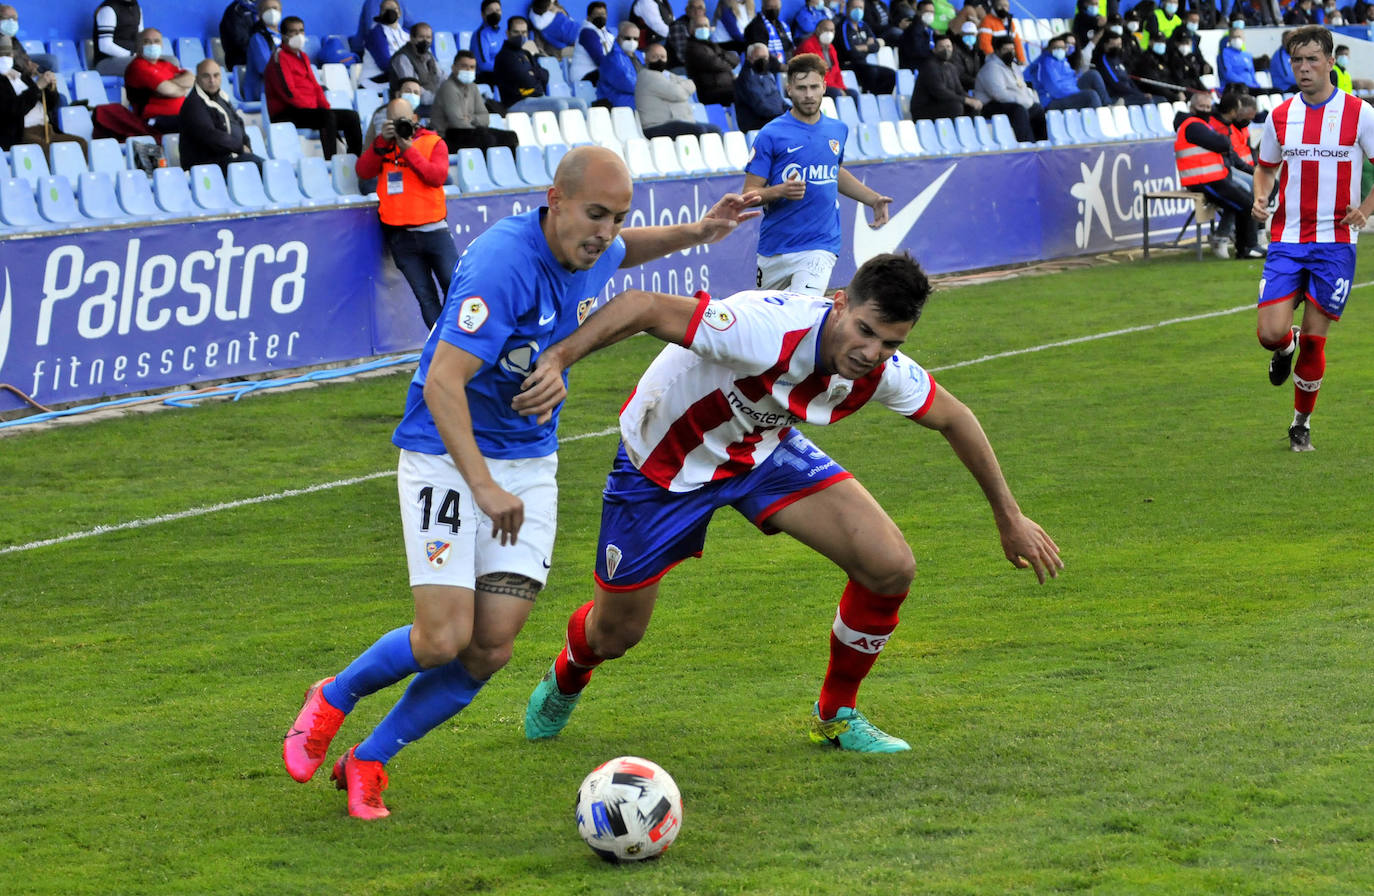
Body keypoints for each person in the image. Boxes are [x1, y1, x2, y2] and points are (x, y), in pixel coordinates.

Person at [281, 145, 761, 819]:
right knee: (441, 637)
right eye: (595, 214)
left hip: (529, 464)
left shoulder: (594, 246)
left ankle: (370, 758)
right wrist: (481, 487)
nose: (606, 231)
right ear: (554, 200)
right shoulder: (500, 265)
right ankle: (333, 696)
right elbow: (444, 383)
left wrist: (700, 232)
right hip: (447, 455)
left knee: (490, 647)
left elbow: (629, 249)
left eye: (617, 216)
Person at [515, 253, 1063, 754]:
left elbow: (954, 416)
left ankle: (837, 714)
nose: (870, 353)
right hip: (661, 466)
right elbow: (641, 305)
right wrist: (559, 359)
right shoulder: (764, 329)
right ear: (839, 303)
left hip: (760, 454)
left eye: (890, 343)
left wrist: (1009, 517)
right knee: (616, 634)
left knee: (889, 566)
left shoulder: (878, 371)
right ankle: (569, 672)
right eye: (865, 331)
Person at [1251, 26, 1374, 453]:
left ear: (1330, 62)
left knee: (1317, 341)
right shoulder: (1280, 115)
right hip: (1287, 238)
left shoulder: (1360, 113)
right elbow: (1265, 166)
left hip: (1336, 244)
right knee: (1269, 333)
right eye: (1297, 61)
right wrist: (1261, 195)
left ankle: (1301, 423)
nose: (1304, 68)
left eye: (1312, 60)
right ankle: (1285, 346)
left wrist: (1366, 210)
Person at [744, 53, 891, 294]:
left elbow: (834, 171)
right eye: (801, 88)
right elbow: (749, 193)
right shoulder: (771, 134)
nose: (809, 94)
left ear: (824, 86)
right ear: (789, 89)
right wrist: (780, 191)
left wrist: (872, 199)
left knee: (803, 312)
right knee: (770, 325)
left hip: (820, 245)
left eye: (814, 86)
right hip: (775, 247)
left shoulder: (837, 130)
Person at [356, 98, 455, 330]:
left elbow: (436, 177)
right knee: (425, 297)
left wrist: (409, 150)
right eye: (393, 120)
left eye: (404, 120)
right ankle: (440, 349)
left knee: (455, 288)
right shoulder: (383, 146)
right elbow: (363, 170)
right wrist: (380, 142)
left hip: (435, 231)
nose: (399, 124)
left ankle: (462, 343)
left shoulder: (434, 142)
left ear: (415, 120)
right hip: (401, 236)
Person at [1176, 89, 1261, 260]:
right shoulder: (1192, 125)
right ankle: (1247, 247)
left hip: (1215, 179)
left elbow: (1223, 145)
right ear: (1192, 108)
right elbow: (1221, 143)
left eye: (1208, 106)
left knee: (1246, 201)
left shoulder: (1201, 124)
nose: (1206, 110)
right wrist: (1222, 142)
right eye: (1201, 106)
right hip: (1202, 181)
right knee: (1246, 203)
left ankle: (1247, 247)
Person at [265, 16, 364, 160]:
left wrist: (324, 107)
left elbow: (316, 87)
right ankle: (332, 162)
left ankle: (354, 160)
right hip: (286, 112)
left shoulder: (302, 56)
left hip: (308, 110)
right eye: (293, 32)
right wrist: (316, 110)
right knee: (325, 117)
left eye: (301, 31)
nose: (298, 35)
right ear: (284, 35)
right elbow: (288, 92)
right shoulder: (279, 58)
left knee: (351, 116)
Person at [178, 59, 262, 172]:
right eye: (206, 76)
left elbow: (238, 123)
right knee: (259, 166)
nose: (212, 80)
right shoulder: (194, 104)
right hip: (205, 165)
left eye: (216, 75)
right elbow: (210, 135)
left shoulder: (221, 97)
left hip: (227, 159)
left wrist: (247, 146)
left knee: (263, 166)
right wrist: (240, 148)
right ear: (197, 78)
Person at [0, 37, 82, 153]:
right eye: (1, 55)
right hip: (23, 135)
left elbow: (50, 105)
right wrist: (37, 87)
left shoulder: (21, 76)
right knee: (55, 153)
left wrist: (49, 88)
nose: (5, 58)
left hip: (47, 130)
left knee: (80, 144)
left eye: (9, 54)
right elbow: (14, 109)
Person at [432, 51, 520, 153]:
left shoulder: (473, 87)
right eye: (464, 66)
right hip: (445, 136)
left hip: (467, 131)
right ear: (453, 68)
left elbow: (485, 118)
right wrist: (477, 125)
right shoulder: (448, 88)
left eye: (472, 67)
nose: (468, 70)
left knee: (510, 137)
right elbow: (457, 123)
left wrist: (471, 118)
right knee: (486, 139)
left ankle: (505, 167)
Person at [637, 41, 722, 138]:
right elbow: (677, 93)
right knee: (698, 130)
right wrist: (681, 88)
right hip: (656, 125)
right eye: (655, 57)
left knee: (715, 130)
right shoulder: (647, 76)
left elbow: (691, 83)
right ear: (646, 59)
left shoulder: (666, 74)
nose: (659, 60)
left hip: (677, 121)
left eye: (662, 57)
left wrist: (680, 88)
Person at [974, 35, 1046, 142]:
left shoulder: (1014, 66)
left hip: (1015, 102)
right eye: (1005, 49)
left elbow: (1022, 87)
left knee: (1037, 109)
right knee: (1018, 111)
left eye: (1012, 49)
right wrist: (1022, 101)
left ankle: (1041, 143)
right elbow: (999, 94)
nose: (1010, 52)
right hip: (990, 105)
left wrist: (1029, 100)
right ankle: (1027, 144)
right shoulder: (991, 68)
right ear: (997, 51)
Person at [124, 28, 192, 132]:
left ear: (161, 45)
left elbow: (191, 78)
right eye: (146, 42)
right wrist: (183, 89)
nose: (152, 45)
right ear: (138, 46)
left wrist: (168, 83)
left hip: (179, 116)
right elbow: (169, 91)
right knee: (194, 124)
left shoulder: (164, 64)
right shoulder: (138, 67)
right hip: (153, 121)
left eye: (156, 41)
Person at [910, 33, 983, 118]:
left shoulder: (951, 67)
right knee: (956, 107)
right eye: (942, 47)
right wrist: (966, 100)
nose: (946, 50)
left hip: (941, 104)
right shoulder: (930, 66)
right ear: (934, 49)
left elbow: (959, 90)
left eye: (948, 46)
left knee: (973, 107)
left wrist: (972, 100)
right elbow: (940, 93)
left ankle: (968, 130)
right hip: (924, 108)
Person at [1026, 33, 1106, 110]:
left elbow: (1072, 78)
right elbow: (1055, 90)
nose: (1060, 50)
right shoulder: (1045, 64)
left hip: (1069, 91)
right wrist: (1075, 92)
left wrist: (1075, 88)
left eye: (1062, 48)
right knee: (1091, 95)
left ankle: (1107, 105)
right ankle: (1101, 119)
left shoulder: (1062, 60)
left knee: (1093, 74)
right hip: (1052, 100)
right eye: (1056, 48)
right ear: (1049, 49)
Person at [839, 0, 896, 93]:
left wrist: (863, 47)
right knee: (872, 73)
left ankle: (879, 99)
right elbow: (851, 52)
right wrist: (868, 46)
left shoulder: (863, 25)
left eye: (860, 8)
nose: (858, 10)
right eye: (854, 7)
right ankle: (867, 95)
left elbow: (876, 45)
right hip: (849, 65)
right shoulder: (843, 26)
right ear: (847, 8)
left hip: (863, 64)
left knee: (890, 74)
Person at [684, 12, 739, 106]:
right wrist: (727, 62)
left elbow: (735, 59)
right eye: (699, 26)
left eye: (705, 26)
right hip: (711, 91)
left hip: (726, 86)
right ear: (691, 30)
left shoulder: (711, 44)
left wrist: (724, 59)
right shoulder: (692, 47)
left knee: (751, 89)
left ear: (710, 28)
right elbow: (716, 64)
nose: (703, 28)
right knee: (743, 93)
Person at [733, 41, 787, 130]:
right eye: (758, 57)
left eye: (765, 57)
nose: (762, 60)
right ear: (749, 58)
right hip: (755, 122)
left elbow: (779, 100)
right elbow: (760, 106)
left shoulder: (767, 74)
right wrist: (782, 116)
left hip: (773, 118)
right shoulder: (746, 78)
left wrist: (793, 112)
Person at [387, 22, 441, 109]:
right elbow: (412, 89)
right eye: (421, 37)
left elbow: (441, 77)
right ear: (412, 38)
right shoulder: (402, 58)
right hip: (409, 105)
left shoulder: (429, 55)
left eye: (428, 38)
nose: (425, 41)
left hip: (432, 103)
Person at [796, 18, 851, 100]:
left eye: (832, 30)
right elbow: (815, 75)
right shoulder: (808, 46)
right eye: (825, 29)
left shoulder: (831, 48)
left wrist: (842, 88)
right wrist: (838, 89)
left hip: (830, 86)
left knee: (853, 94)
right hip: (812, 86)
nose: (829, 33)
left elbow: (837, 72)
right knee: (836, 93)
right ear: (817, 30)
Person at [1093, 30, 1151, 105]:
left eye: (1119, 44)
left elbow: (1129, 80)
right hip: (1117, 97)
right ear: (1106, 45)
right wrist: (1139, 95)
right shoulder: (1104, 60)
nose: (1118, 47)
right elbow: (1116, 84)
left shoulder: (1117, 59)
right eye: (1114, 45)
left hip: (1129, 94)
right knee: (1147, 101)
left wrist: (1140, 93)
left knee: (1160, 99)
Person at [242, 0, 281, 102]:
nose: (272, 11)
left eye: (275, 8)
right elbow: (266, 68)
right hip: (262, 92)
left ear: (280, 11)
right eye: (267, 9)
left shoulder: (285, 37)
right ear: (259, 14)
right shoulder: (257, 38)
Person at [362, 0, 409, 85]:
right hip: (375, 80)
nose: (390, 12)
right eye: (386, 9)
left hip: (399, 77)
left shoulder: (406, 34)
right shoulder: (375, 33)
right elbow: (385, 64)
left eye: (393, 9)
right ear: (380, 13)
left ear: (400, 13)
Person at [1, 5, 56, 75]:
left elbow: (21, 52)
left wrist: (29, 62)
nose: (11, 22)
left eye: (14, 19)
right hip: (15, 70)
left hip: (23, 63)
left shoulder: (12, 36)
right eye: (7, 18)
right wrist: (27, 67)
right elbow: (8, 63)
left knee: (51, 60)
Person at [595, 22, 640, 107]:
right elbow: (630, 84)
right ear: (619, 37)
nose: (632, 42)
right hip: (615, 101)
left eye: (635, 39)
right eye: (628, 38)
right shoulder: (612, 59)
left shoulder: (638, 56)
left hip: (634, 98)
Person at [1131, 31, 1185, 100]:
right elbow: (1154, 84)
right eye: (1158, 41)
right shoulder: (1145, 59)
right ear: (1150, 42)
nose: (1161, 44)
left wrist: (1178, 91)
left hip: (1167, 94)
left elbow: (1169, 78)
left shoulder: (1163, 59)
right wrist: (1174, 96)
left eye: (1163, 42)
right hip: (1154, 96)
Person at [92, 0, 141, 76]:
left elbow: (141, 35)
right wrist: (131, 54)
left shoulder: (136, 7)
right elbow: (105, 46)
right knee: (142, 65)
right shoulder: (108, 9)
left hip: (132, 58)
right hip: (105, 62)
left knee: (164, 62)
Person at [570, 0, 614, 83]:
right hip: (584, 76)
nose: (600, 17)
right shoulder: (587, 32)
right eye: (597, 15)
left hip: (598, 72)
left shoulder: (607, 32)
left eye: (603, 14)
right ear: (588, 17)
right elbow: (600, 60)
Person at [745, 0, 794, 65]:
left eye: (775, 7)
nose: (773, 10)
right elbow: (759, 54)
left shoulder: (782, 25)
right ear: (763, 7)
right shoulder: (756, 27)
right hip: (770, 69)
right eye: (769, 7)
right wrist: (780, 67)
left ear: (780, 7)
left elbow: (789, 47)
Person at [977, 0, 1024, 64]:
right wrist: (995, 61)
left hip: (1008, 60)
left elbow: (1017, 42)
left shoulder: (1010, 22)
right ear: (994, 6)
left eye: (1005, 6)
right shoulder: (987, 21)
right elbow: (985, 44)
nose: (1003, 8)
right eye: (1000, 5)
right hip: (993, 62)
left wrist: (1021, 59)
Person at [471, 0, 505, 83]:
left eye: (498, 10)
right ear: (482, 15)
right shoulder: (480, 35)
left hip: (502, 72)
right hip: (485, 76)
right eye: (490, 11)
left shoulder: (502, 33)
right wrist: (506, 67)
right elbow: (483, 65)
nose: (495, 13)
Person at [1217, 25, 1260, 92]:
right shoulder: (1224, 54)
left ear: (1243, 39)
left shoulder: (1247, 55)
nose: (1237, 39)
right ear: (1229, 39)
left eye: (1239, 37)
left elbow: (1252, 73)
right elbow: (1228, 74)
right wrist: (1245, 83)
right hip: (1235, 88)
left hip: (1250, 87)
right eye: (1234, 37)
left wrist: (1256, 84)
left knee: (1271, 92)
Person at [896, 0, 937, 70]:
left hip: (929, 65)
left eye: (932, 12)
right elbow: (917, 51)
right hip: (916, 68)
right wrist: (935, 52)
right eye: (927, 11)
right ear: (918, 12)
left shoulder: (929, 28)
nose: (930, 14)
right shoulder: (913, 30)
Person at [668, 0, 709, 69]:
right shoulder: (677, 26)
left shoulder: (704, 24)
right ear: (687, 10)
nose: (696, 12)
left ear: (704, 11)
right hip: (679, 67)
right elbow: (684, 56)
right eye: (693, 8)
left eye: (700, 8)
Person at [950, 19, 983, 92]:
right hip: (961, 88)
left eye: (972, 34)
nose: (970, 36)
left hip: (974, 85)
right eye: (967, 34)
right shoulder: (955, 50)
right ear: (961, 34)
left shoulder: (976, 49)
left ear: (976, 35)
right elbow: (959, 74)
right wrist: (979, 83)